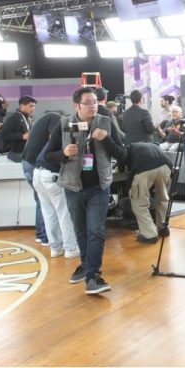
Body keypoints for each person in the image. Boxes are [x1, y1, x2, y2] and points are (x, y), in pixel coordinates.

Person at [43, 87, 126, 295]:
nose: (93, 105)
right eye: (88, 102)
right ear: (77, 105)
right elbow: (47, 156)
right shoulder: (64, 124)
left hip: (99, 187)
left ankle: (93, 276)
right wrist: (63, 153)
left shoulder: (106, 122)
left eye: (95, 101)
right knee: (80, 230)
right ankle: (86, 265)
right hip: (73, 187)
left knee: (96, 231)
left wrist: (106, 139)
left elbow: (122, 154)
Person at [23, 112, 65, 249]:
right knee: (47, 205)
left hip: (29, 162)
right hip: (36, 165)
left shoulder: (45, 119)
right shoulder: (56, 118)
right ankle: (46, 237)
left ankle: (42, 235)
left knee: (42, 202)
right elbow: (56, 137)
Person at [124, 142, 173, 242]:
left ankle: (149, 234)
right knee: (162, 199)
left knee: (139, 203)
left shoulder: (129, 148)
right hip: (165, 167)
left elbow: (123, 162)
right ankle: (163, 228)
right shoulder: (151, 145)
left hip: (144, 170)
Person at [0, 96, 37, 161]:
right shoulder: (15, 118)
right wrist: (22, 136)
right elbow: (5, 135)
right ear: (22, 106)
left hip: (24, 152)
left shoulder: (28, 118)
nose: (33, 108)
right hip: (16, 154)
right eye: (31, 106)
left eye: (34, 106)